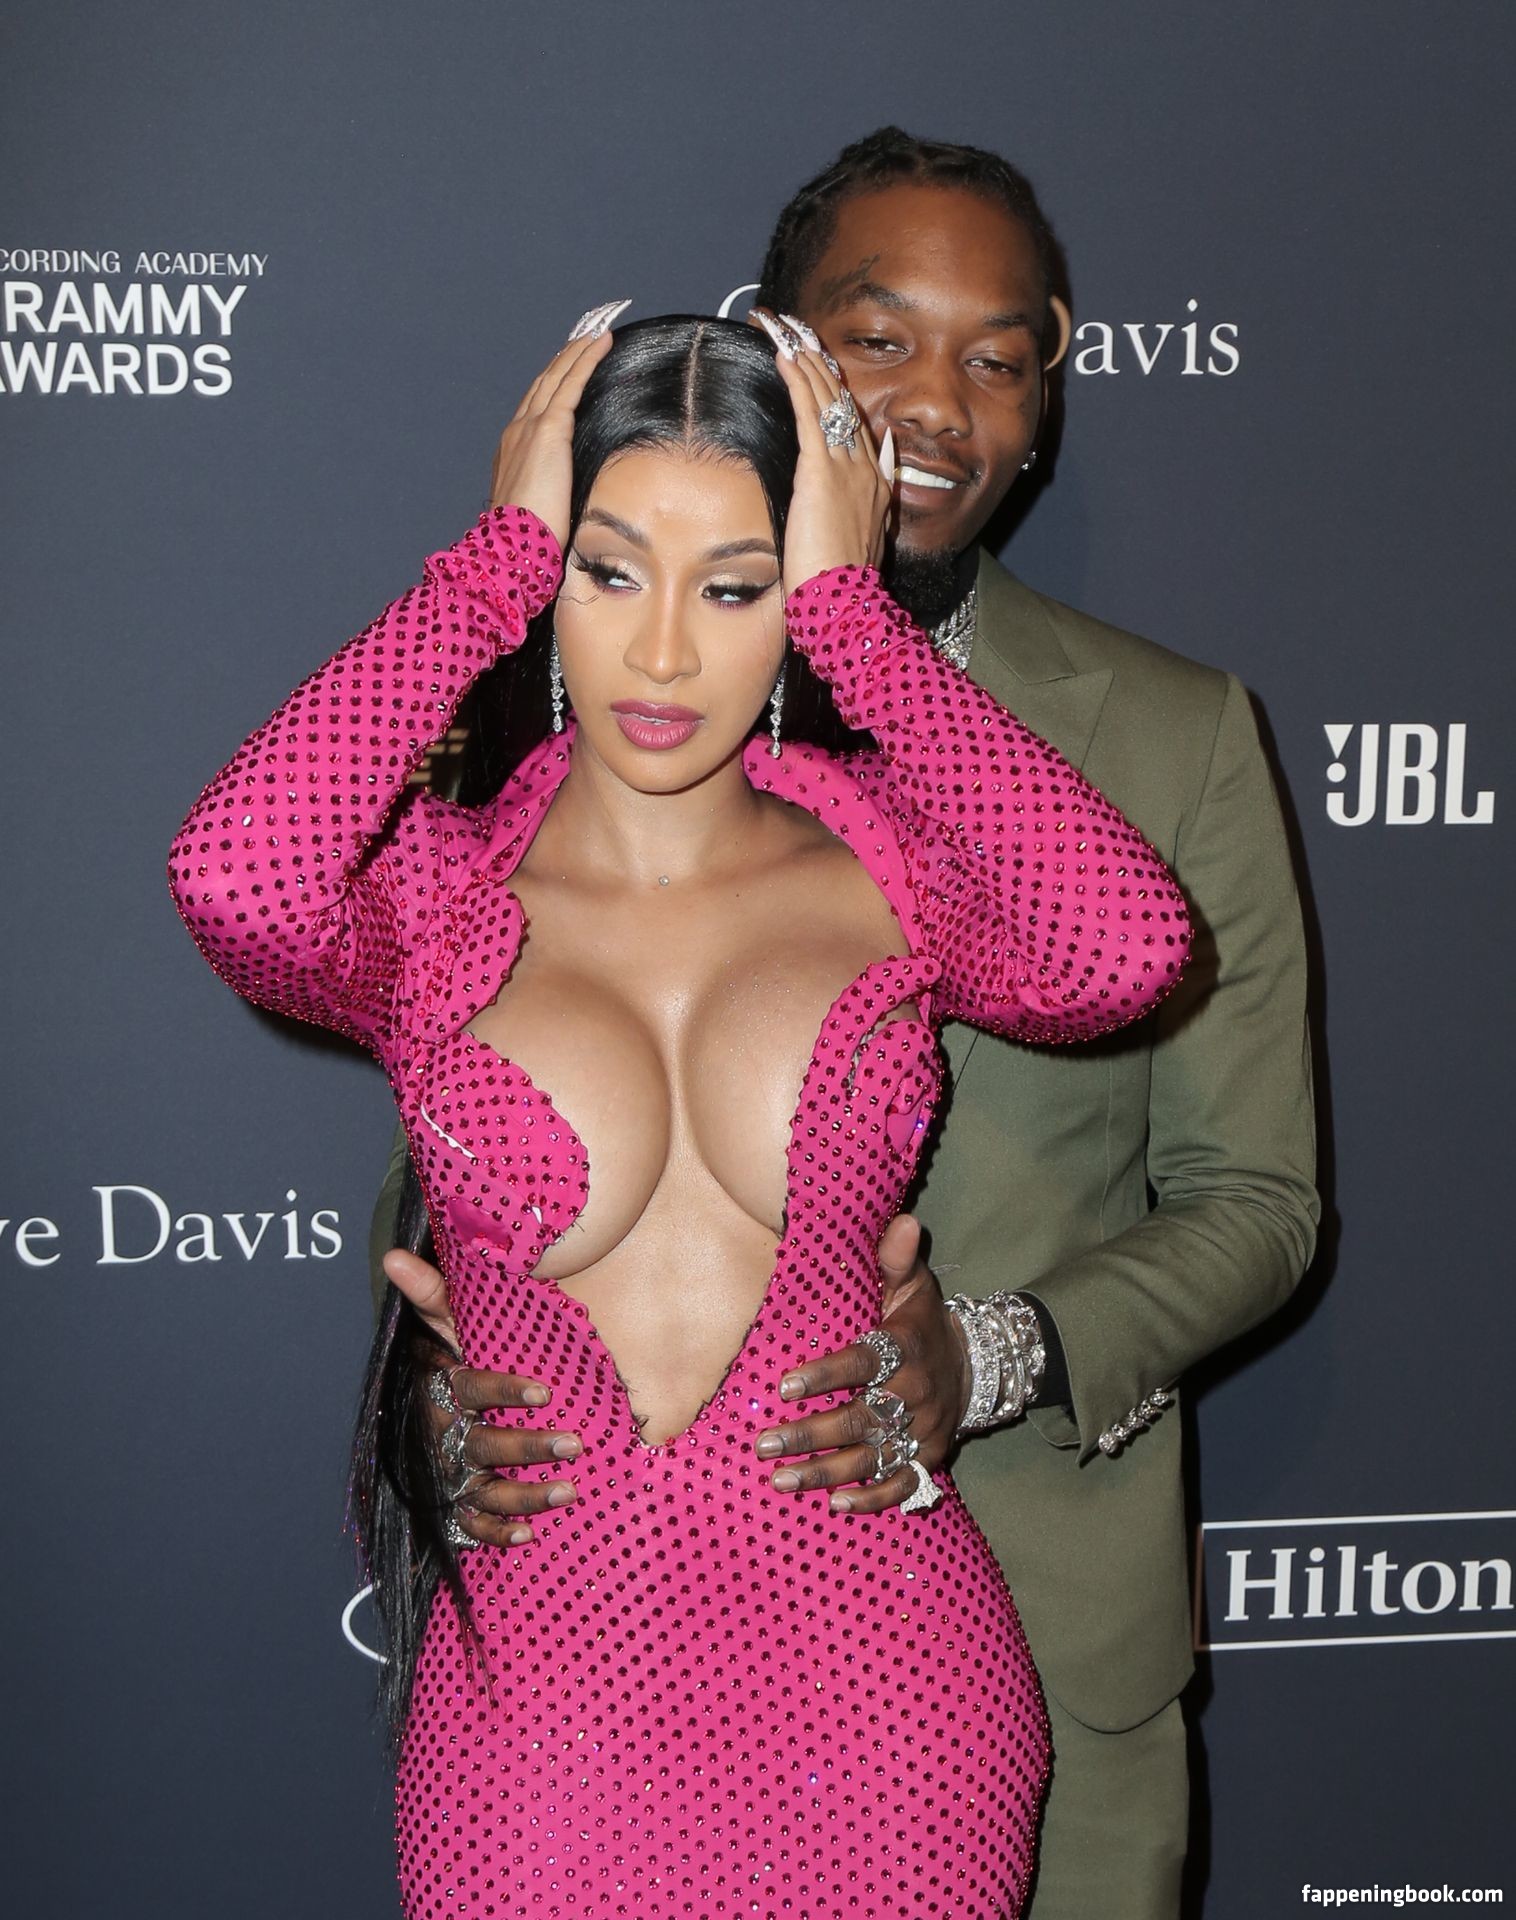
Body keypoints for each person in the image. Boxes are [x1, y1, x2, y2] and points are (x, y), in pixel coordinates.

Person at [375, 130, 1319, 1919]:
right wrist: (454, 1381)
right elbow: (470, 1106)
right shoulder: (594, 680)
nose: (938, 406)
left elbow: (1260, 1199)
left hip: (1033, 1635)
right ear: (775, 347)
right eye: (879, 340)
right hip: (602, 1638)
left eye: (997, 357)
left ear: (1050, 384)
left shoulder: (1178, 736)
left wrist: (994, 1353)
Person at [170, 310, 1188, 1917]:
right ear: (548, 573)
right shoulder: (437, 901)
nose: (661, 657)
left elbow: (1120, 953)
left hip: (890, 1708)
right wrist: (484, 574)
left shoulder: (887, 873)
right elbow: (237, 882)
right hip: (543, 1730)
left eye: (736, 586)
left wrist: (862, 626)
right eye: (608, 569)